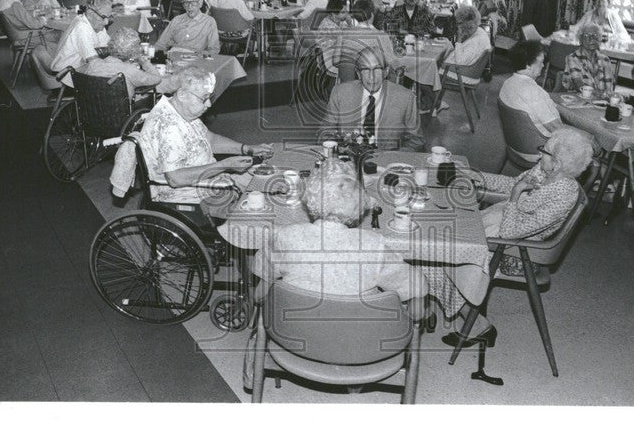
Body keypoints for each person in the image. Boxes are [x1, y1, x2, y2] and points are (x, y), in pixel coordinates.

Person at [430, 127, 593, 342]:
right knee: (438, 230)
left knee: (438, 249)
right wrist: (475, 176)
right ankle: (429, 304)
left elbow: (509, 233)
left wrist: (515, 196)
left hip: (516, 250)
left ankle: (478, 325)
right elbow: (511, 184)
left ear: (558, 164)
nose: (539, 154)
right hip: (496, 225)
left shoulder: (563, 196)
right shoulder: (546, 171)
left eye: (544, 151)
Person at [248, 162, 429, 320]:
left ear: (310, 198)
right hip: (358, 344)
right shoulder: (373, 245)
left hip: (293, 336)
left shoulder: (285, 236)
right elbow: (416, 292)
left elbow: (259, 296)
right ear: (360, 204)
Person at [136, 66, 273, 206]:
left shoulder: (181, 110)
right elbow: (175, 179)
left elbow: (210, 140)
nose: (208, 104)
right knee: (266, 192)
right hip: (188, 191)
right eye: (204, 99)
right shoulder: (168, 126)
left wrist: (247, 149)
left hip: (206, 178)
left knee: (265, 182)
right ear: (182, 94)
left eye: (209, 98)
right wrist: (223, 165)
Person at [321, 47, 425, 151]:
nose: (372, 77)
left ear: (386, 71)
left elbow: (416, 140)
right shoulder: (340, 93)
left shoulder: (405, 98)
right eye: (365, 69)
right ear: (358, 73)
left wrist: (395, 159)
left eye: (377, 69)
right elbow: (325, 131)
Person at [431, 5, 492, 114]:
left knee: (426, 71)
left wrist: (459, 39)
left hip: (463, 73)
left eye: (459, 23)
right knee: (436, 62)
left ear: (468, 23)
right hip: (465, 70)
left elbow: (460, 62)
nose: (457, 26)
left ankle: (430, 104)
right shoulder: (479, 31)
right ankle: (436, 102)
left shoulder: (476, 40)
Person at [498, 39, 563, 137]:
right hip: (543, 143)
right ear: (528, 65)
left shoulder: (507, 83)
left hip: (520, 141)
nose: (543, 65)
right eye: (540, 62)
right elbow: (556, 128)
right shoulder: (533, 91)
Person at [81, 26, 162, 101]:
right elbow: (157, 78)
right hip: (122, 114)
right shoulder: (130, 70)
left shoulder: (93, 64)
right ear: (132, 52)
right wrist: (144, 62)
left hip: (91, 111)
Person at [48, 0, 113, 80]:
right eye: (104, 17)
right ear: (90, 12)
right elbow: (93, 61)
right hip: (64, 75)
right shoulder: (82, 28)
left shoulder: (95, 23)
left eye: (109, 17)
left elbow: (109, 46)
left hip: (77, 68)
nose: (106, 22)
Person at [155, 0, 220, 55]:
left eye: (193, 2)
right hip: (174, 56)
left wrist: (198, 55)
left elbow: (214, 50)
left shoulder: (209, 22)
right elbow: (160, 44)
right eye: (186, 3)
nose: (189, 6)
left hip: (195, 58)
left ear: (200, 3)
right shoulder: (177, 20)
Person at [561, 24, 616, 95]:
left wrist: (610, 95)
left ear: (600, 39)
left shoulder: (605, 60)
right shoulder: (573, 58)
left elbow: (609, 88)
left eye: (595, 35)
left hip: (600, 101)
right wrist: (602, 94)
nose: (591, 39)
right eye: (586, 36)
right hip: (579, 99)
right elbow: (580, 87)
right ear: (581, 40)